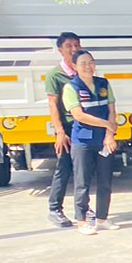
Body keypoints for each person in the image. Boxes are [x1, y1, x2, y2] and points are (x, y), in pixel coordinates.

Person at [62, 50, 118, 235]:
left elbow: (111, 110)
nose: (88, 67)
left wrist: (109, 135)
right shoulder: (71, 88)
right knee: (82, 182)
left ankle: (102, 218)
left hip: (104, 140)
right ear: (75, 67)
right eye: (83, 63)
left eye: (91, 62)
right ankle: (82, 221)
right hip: (83, 141)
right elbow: (78, 115)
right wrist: (107, 124)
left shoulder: (104, 84)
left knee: (105, 181)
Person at [45, 31, 81, 228]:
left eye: (77, 45)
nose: (74, 49)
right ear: (60, 50)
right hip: (67, 127)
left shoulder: (83, 70)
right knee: (64, 167)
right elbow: (53, 104)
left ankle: (83, 210)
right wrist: (60, 132)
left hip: (83, 126)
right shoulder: (55, 75)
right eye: (69, 46)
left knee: (83, 169)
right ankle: (55, 208)